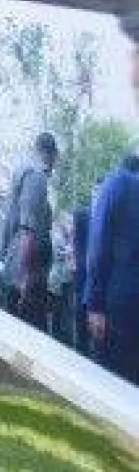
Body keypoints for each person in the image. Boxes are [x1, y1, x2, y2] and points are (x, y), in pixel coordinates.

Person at [84, 150, 139, 382]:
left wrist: (95, 305)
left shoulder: (118, 183)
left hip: (118, 306)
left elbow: (98, 245)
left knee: (109, 382)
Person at [1, 131, 57, 330]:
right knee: (28, 336)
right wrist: (24, 278)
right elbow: (28, 231)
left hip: (22, 270)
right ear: (51, 155)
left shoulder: (23, 171)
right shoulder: (36, 176)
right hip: (27, 276)